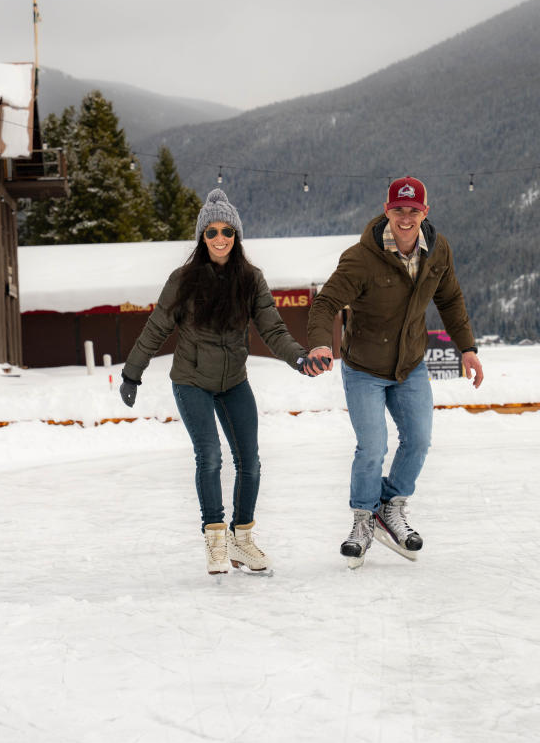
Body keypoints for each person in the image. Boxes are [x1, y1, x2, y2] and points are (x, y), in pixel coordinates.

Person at [119, 189, 318, 576]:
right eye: (211, 232)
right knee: (209, 456)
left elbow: (272, 328)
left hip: (234, 381)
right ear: (202, 238)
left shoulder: (251, 279)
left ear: (237, 235)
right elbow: (157, 327)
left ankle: (241, 540)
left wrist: (298, 357)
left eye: (227, 230)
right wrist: (132, 372)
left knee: (251, 461)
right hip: (191, 379)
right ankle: (215, 538)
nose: (220, 238)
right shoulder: (183, 280)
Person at [303, 176, 483, 567]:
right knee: (372, 447)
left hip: (410, 365)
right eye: (398, 210)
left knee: (418, 439)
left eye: (413, 210)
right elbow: (325, 303)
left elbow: (450, 299)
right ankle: (363, 519)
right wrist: (320, 343)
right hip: (364, 367)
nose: (406, 217)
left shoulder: (437, 251)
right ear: (387, 211)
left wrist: (466, 347)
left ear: (425, 212)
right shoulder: (360, 258)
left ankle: (391, 505)